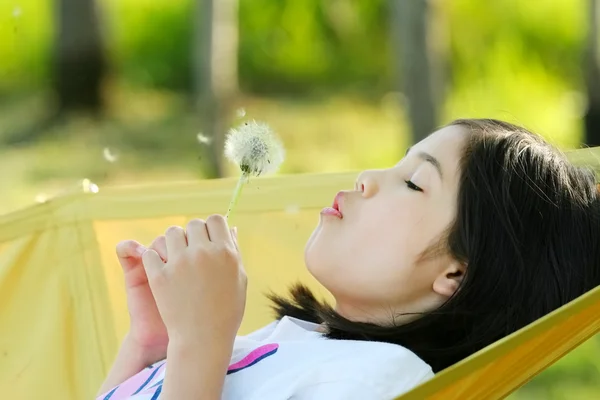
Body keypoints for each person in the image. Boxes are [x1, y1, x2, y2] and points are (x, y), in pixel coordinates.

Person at [96, 119, 600, 400]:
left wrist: (199, 345)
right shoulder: (288, 343)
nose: (367, 176)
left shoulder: (381, 382)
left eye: (412, 182)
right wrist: (149, 347)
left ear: (456, 273)